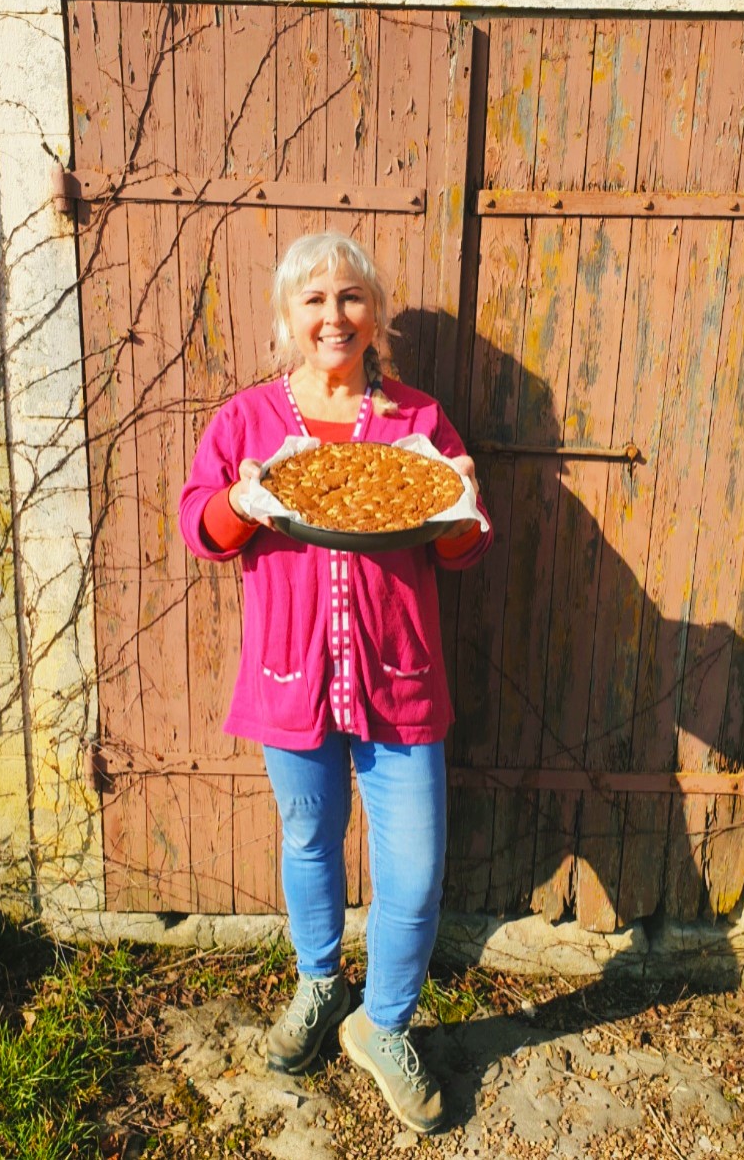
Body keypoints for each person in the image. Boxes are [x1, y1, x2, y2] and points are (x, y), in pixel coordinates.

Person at [178, 232, 493, 1134]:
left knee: (417, 866)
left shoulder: (418, 424)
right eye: (313, 300)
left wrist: (460, 504)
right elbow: (201, 526)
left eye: (350, 298)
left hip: (400, 681)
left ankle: (382, 1020)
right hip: (293, 677)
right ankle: (320, 982)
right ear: (287, 317)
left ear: (375, 316)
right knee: (310, 840)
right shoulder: (248, 425)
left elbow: (464, 547)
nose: (333, 316)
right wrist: (239, 502)